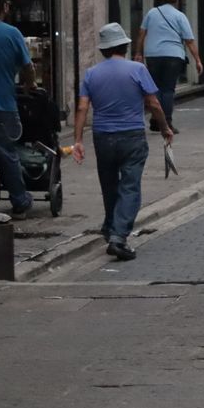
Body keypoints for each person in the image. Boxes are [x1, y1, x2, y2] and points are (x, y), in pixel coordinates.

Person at [72, 23, 174, 261]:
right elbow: (154, 103)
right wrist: (164, 127)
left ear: (103, 50)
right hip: (131, 136)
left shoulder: (91, 74)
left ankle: (110, 229)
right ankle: (118, 237)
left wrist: (78, 139)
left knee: (109, 185)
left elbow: (82, 107)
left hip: (102, 136)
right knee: (130, 187)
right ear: (125, 46)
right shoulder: (137, 69)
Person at [0, 0, 36, 219]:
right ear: (4, 7)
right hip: (2, 105)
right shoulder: (11, 33)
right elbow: (28, 67)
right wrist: (31, 85)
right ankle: (19, 200)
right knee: (8, 152)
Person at [134, 0, 202, 135]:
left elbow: (141, 33)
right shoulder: (180, 16)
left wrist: (139, 52)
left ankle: (155, 119)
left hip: (153, 55)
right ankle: (167, 122)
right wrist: (197, 60)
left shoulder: (151, 13)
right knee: (168, 90)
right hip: (173, 55)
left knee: (155, 88)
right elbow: (189, 40)